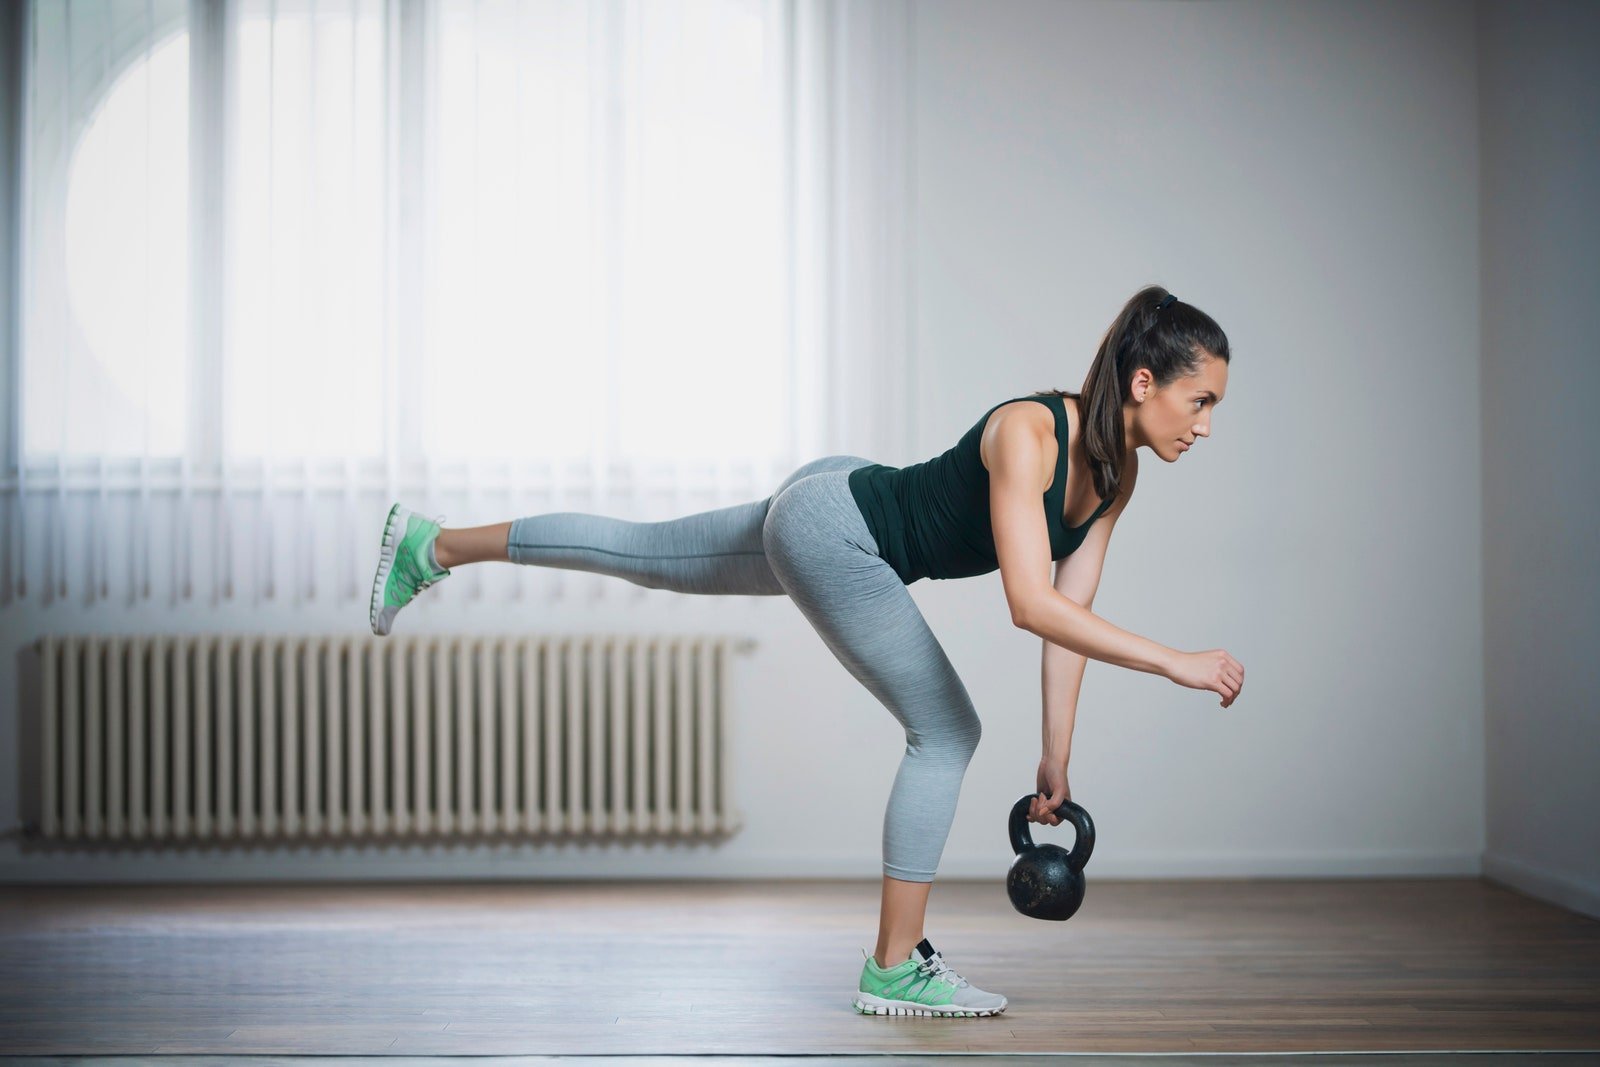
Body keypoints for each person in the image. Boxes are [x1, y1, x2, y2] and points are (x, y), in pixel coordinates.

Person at [367, 283, 1245, 1019]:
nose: (1205, 425)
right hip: (838, 529)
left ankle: (431, 544)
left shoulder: (1117, 478)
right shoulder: (1033, 432)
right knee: (946, 731)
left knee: (645, 552)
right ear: (1142, 382)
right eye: (1200, 400)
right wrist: (1176, 660)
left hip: (836, 502)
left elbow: (1069, 617)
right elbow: (1030, 602)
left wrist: (1056, 755)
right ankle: (893, 966)